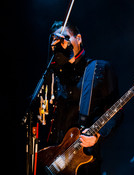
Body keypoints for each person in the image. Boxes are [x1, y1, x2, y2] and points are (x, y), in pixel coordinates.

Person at [38, 21, 122, 175]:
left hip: (82, 164)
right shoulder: (53, 75)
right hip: (51, 160)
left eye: (65, 38)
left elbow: (116, 112)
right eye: (56, 40)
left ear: (78, 38)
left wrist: (98, 135)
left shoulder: (100, 69)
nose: (61, 44)